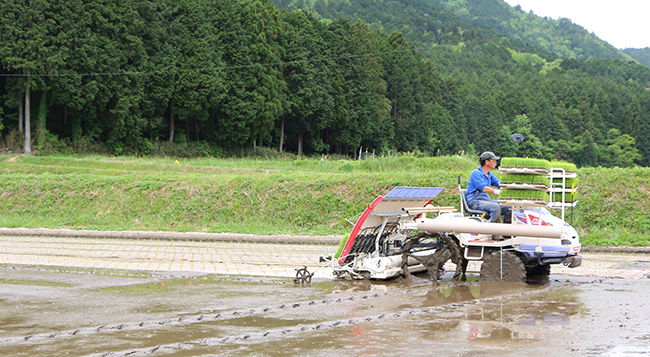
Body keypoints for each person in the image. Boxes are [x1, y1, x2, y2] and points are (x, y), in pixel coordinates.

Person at [466, 151, 511, 229]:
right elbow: (484, 188)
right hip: (475, 201)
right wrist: (497, 192)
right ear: (487, 162)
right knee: (495, 207)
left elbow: (499, 184)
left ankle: (506, 233)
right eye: (493, 160)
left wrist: (510, 187)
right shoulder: (476, 173)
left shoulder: (489, 174)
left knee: (508, 206)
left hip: (485, 200)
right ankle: (495, 233)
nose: (495, 163)